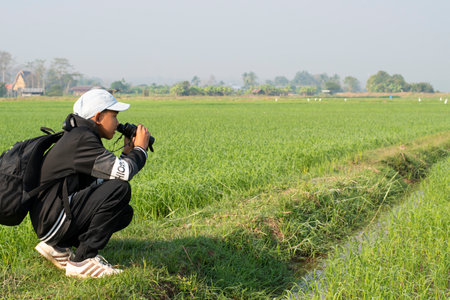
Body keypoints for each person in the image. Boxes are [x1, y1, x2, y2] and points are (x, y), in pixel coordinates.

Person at [30, 89, 151, 278]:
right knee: (120, 189)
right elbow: (123, 174)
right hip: (54, 217)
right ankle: (82, 261)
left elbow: (102, 181)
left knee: (123, 212)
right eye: (114, 116)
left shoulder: (79, 136)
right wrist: (140, 150)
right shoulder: (82, 139)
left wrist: (127, 154)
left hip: (50, 217)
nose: (118, 123)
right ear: (98, 117)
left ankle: (59, 247)